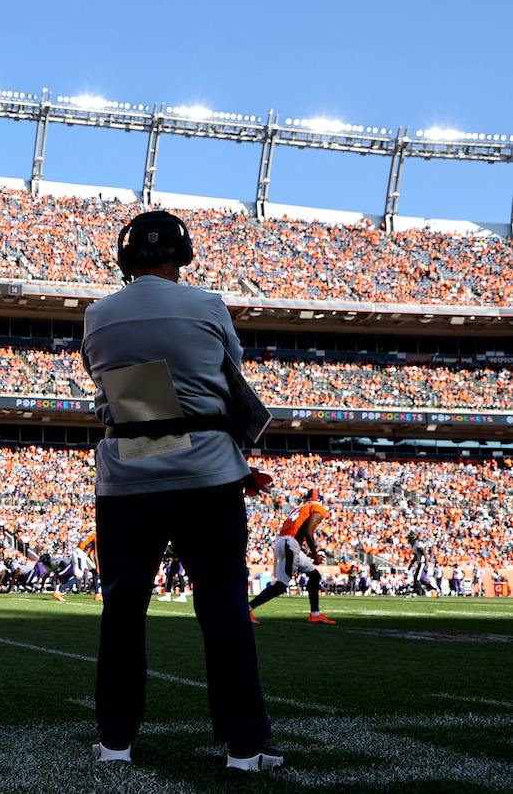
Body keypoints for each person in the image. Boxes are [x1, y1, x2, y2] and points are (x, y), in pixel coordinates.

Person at [80, 210, 280, 771]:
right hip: (208, 471)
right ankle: (245, 747)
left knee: (124, 609)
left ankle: (116, 741)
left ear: (126, 259)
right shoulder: (208, 304)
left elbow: (122, 391)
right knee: (224, 608)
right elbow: (226, 377)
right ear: (182, 253)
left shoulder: (98, 314)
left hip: (129, 471)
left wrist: (154, 419)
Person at [248, 490, 336, 624]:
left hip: (285, 542)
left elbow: (299, 529)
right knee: (282, 585)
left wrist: (305, 550)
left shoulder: (298, 508)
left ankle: (315, 614)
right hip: (290, 544)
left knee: (314, 575)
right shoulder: (317, 507)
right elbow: (307, 530)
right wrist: (315, 553)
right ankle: (247, 609)